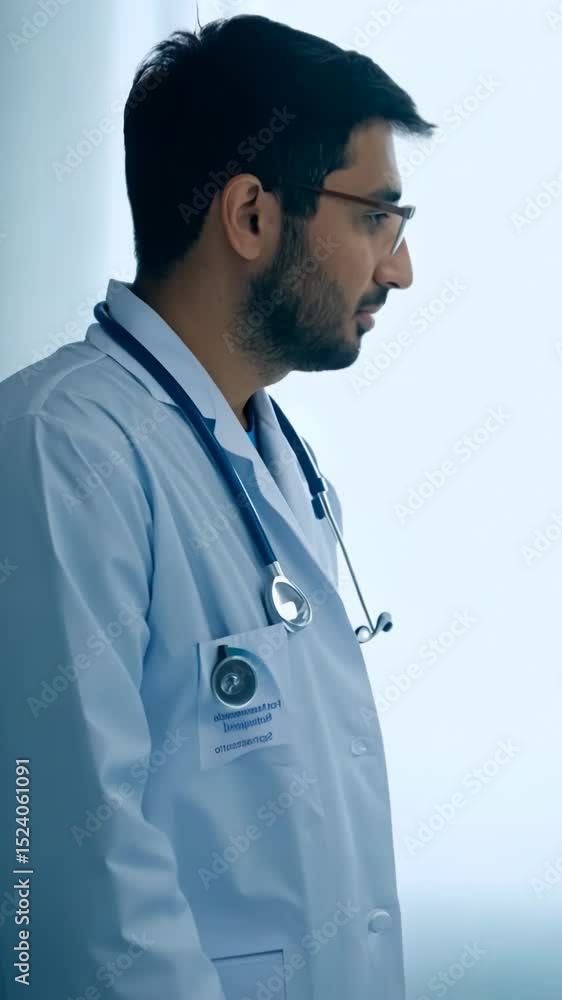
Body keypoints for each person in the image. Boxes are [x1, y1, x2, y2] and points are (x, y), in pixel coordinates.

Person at [0, 14, 435, 1000]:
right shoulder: (61, 448)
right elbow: (86, 889)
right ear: (249, 215)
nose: (399, 268)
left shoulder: (278, 463)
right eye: (376, 217)